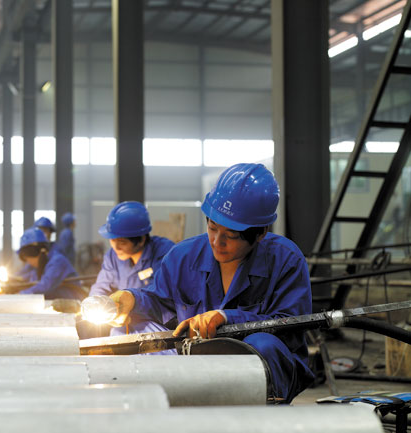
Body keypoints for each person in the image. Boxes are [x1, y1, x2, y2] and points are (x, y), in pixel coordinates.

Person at [108, 163, 315, 403]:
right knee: (128, 330)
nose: (217, 242)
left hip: (261, 374)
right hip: (194, 363)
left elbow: (291, 327)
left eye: (231, 235)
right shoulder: (182, 257)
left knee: (262, 344)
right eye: (212, 227)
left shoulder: (285, 260)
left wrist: (227, 317)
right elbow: (159, 302)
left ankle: (261, 412)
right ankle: (159, 402)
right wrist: (132, 299)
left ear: (260, 233)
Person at [89, 201, 175, 336]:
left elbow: (162, 298)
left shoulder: (165, 254)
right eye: (112, 240)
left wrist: (133, 303)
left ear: (141, 240)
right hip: (124, 323)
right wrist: (95, 303)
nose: (115, 247)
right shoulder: (112, 257)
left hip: (158, 322)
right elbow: (101, 285)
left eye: (122, 242)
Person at [15, 227, 85, 301]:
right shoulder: (41, 265)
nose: (28, 262)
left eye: (27, 259)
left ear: (34, 252)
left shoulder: (57, 261)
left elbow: (45, 286)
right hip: (56, 301)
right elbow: (31, 279)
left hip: (73, 302)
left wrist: (21, 294)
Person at [16, 217, 58, 282]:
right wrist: (14, 278)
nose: (42, 233)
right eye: (40, 230)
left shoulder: (56, 255)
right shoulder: (35, 259)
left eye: (45, 231)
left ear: (50, 232)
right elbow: (29, 270)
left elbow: (46, 282)